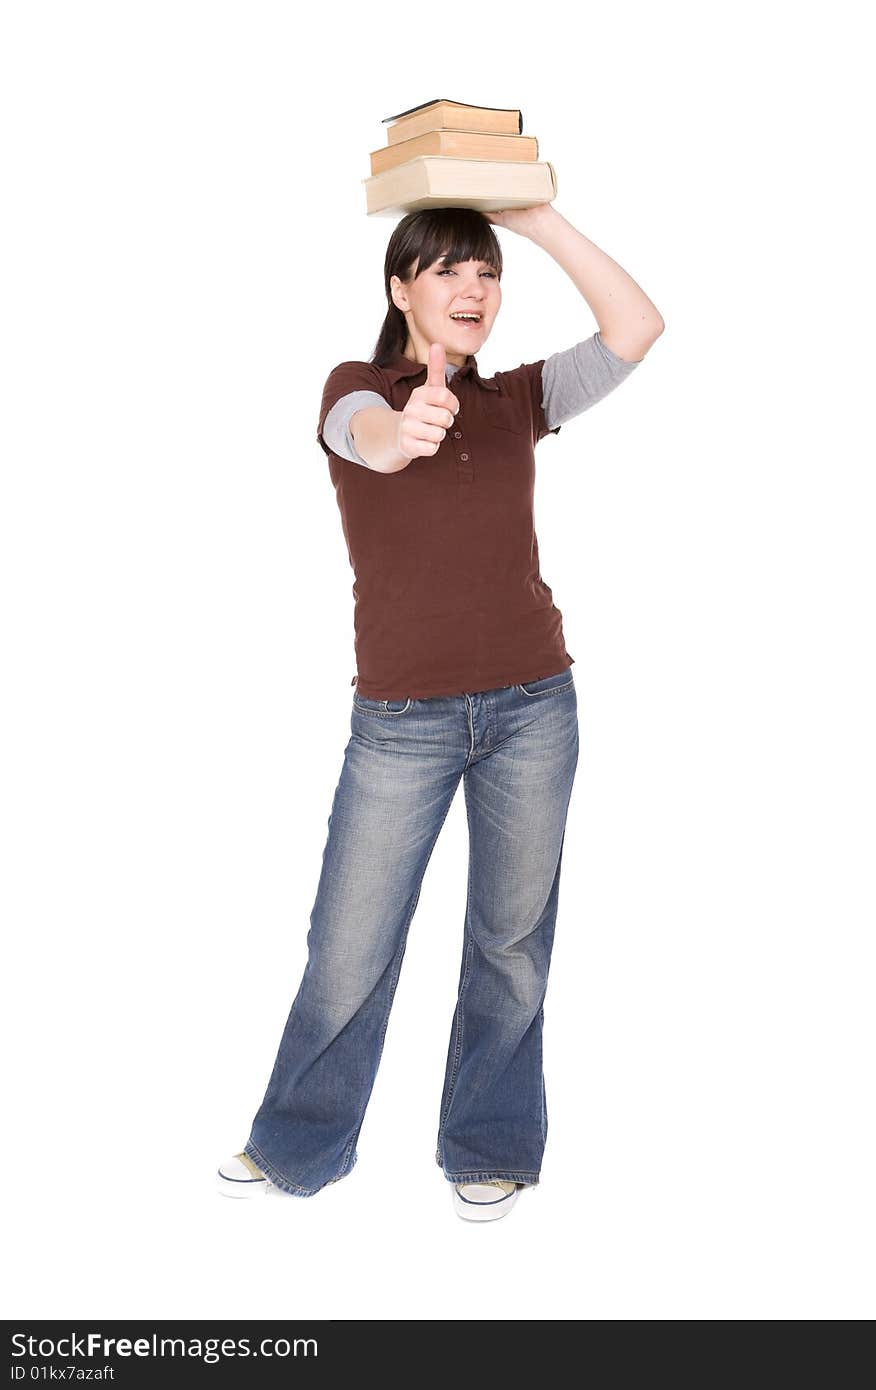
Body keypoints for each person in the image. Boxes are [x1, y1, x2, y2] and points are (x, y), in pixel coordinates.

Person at [218, 204, 664, 1221]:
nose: (473, 290)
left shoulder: (516, 398)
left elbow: (636, 328)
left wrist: (538, 218)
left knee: (512, 940)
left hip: (534, 705)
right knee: (349, 945)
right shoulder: (356, 390)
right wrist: (403, 430)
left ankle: (488, 1144)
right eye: (448, 271)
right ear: (399, 288)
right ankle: (296, 1144)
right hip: (402, 722)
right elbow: (366, 440)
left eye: (487, 272)